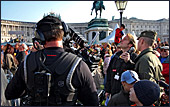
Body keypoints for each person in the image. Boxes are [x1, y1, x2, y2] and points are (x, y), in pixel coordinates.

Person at [5, 15, 99, 106]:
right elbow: (93, 102)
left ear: (40, 36)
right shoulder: (77, 64)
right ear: (64, 34)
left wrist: (31, 87)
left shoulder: (28, 61)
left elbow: (10, 93)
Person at [105, 33, 138, 98]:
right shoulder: (116, 56)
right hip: (114, 91)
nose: (121, 40)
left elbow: (136, 74)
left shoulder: (134, 57)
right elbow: (109, 73)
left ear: (130, 45)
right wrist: (107, 90)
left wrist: (128, 62)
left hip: (127, 94)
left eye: (125, 39)